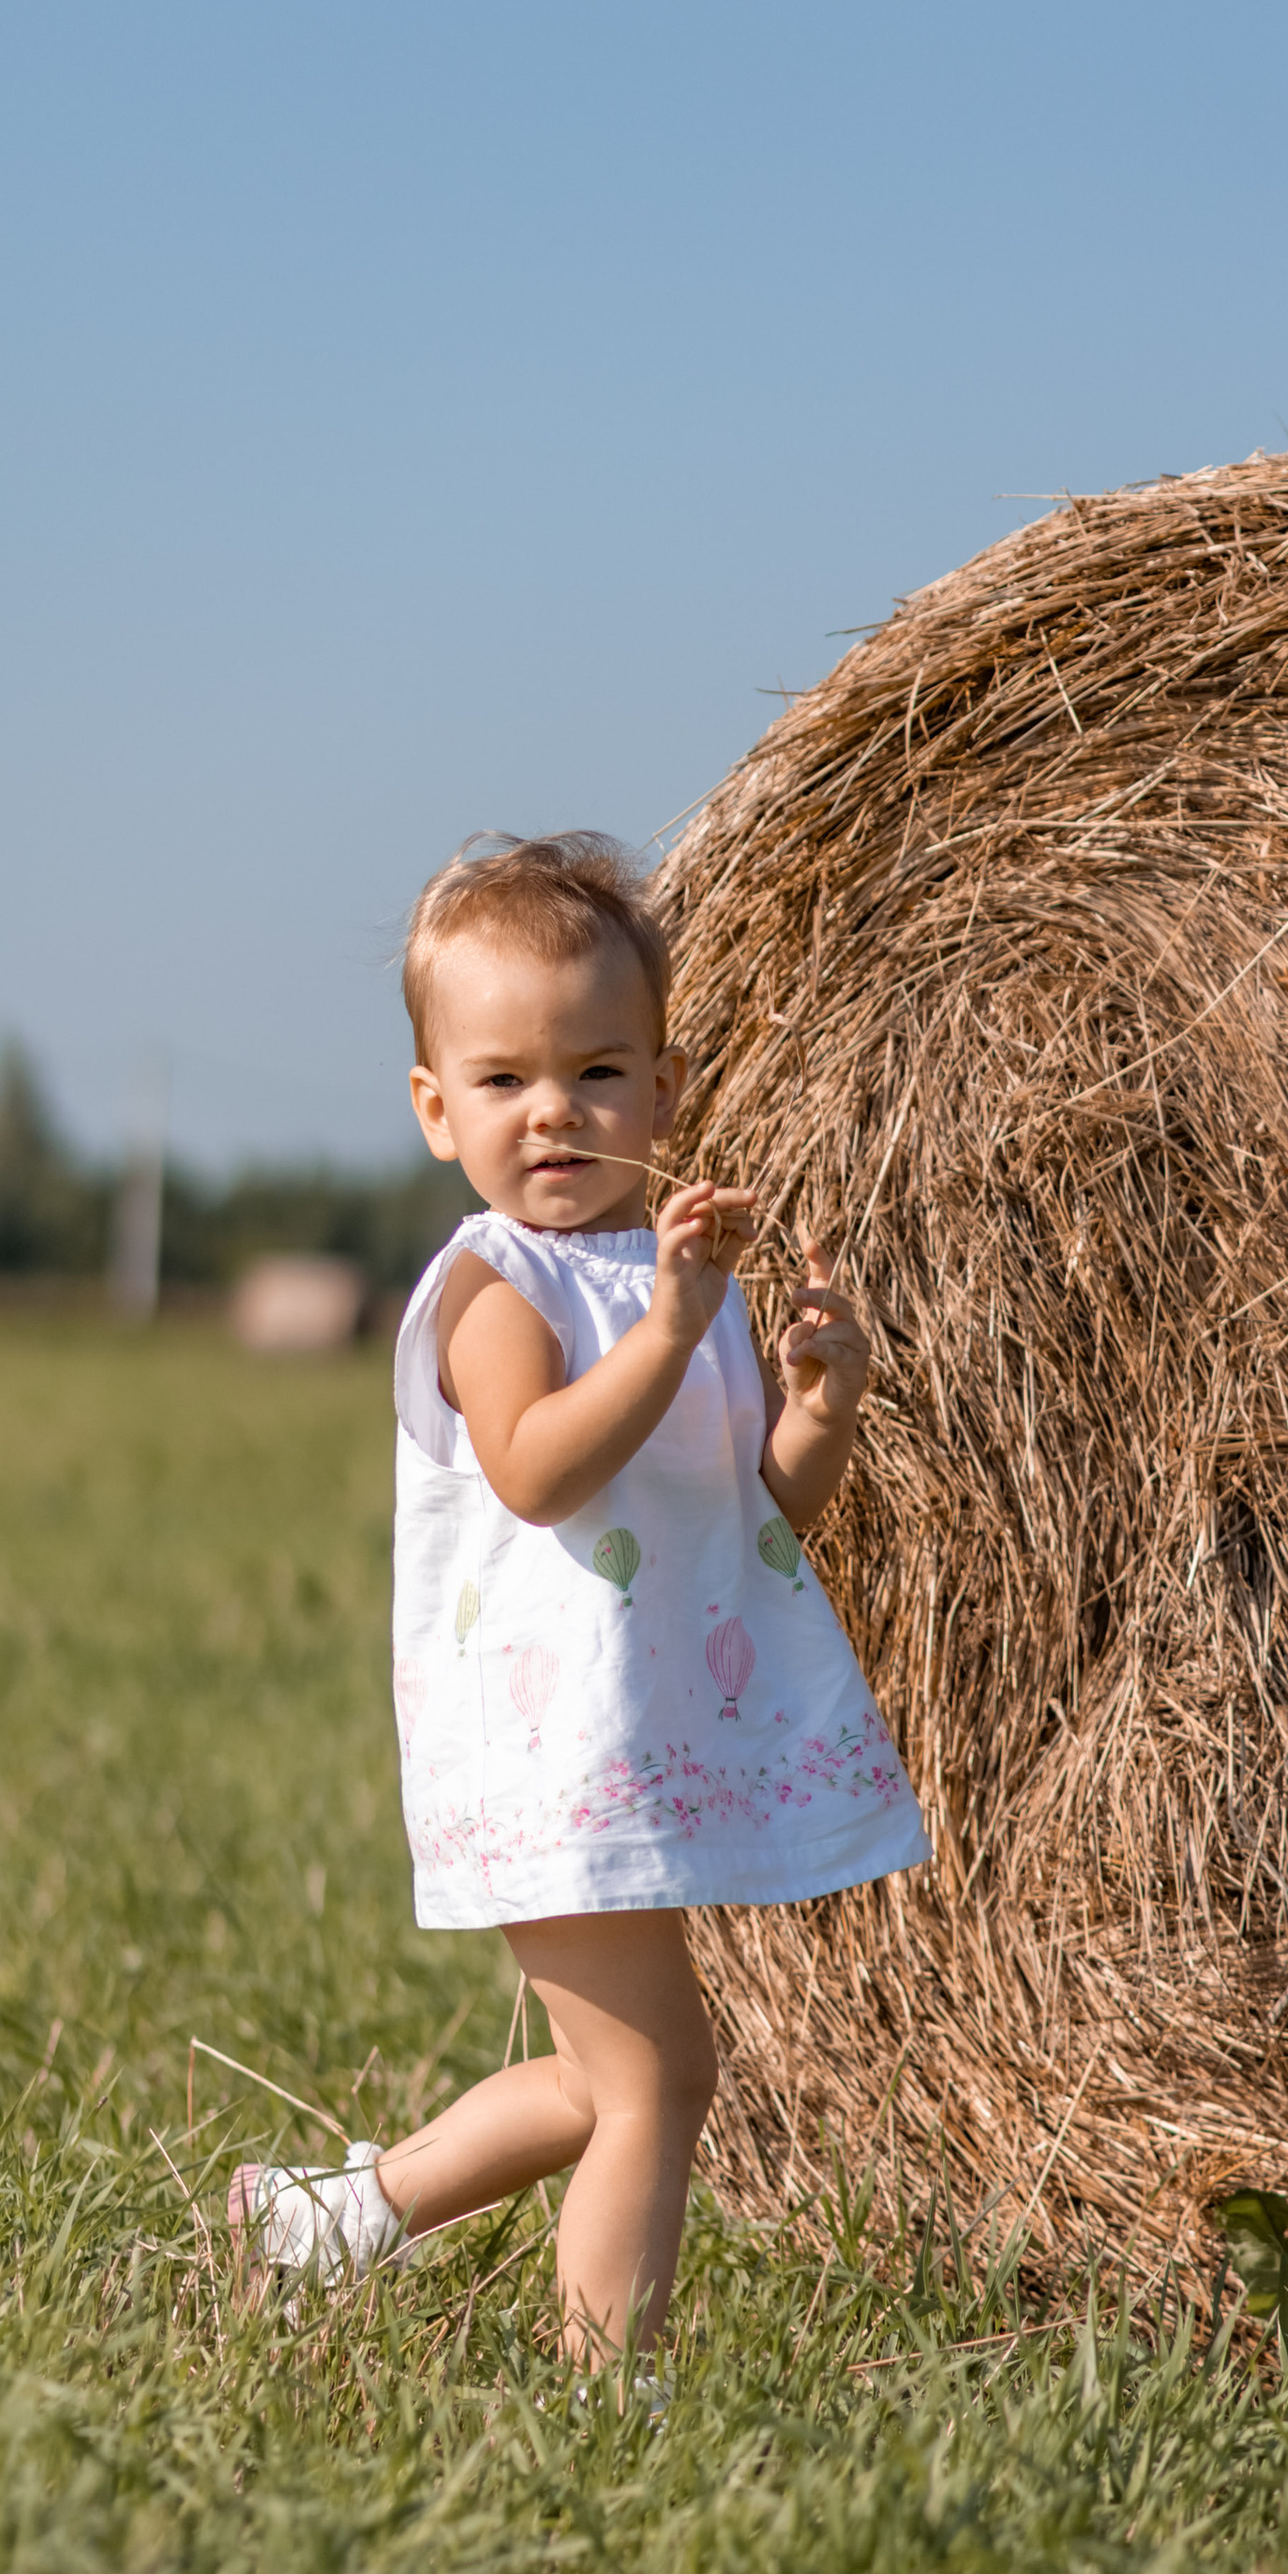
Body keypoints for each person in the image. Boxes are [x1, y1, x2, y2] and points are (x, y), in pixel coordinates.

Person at [229, 830, 926, 2373]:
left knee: (601, 2079)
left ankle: (322, 2221)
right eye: (504, 1080)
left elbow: (751, 1520)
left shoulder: (673, 1283)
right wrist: (671, 1331)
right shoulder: (495, 1288)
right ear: (437, 1110)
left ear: (664, 1093)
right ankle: (609, 2398)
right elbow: (538, 1469)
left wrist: (823, 1407)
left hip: (642, 1726)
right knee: (661, 2078)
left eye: (599, 1072)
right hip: (549, 1742)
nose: (554, 1109)